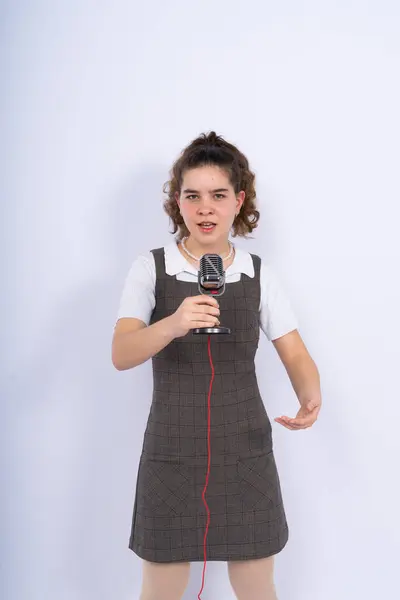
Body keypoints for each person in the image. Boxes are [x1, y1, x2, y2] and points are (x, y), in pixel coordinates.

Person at [112, 131, 322, 600]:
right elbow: (121, 353)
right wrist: (173, 323)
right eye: (193, 196)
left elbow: (294, 352)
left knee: (256, 587)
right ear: (178, 203)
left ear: (238, 200)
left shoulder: (258, 272)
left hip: (244, 449)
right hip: (171, 449)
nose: (205, 208)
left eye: (218, 195)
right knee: (161, 587)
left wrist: (311, 394)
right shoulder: (151, 268)